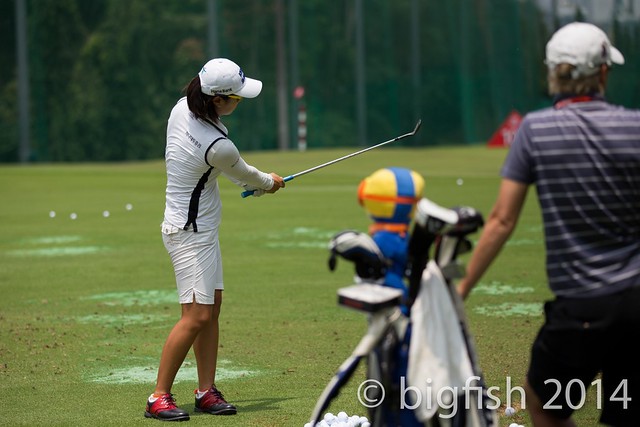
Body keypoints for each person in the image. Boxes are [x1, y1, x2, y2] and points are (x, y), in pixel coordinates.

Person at [456, 22, 640, 426]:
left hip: (580, 308)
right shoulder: (635, 126)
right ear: (603, 72)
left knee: (544, 405)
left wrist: (462, 287)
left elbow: (503, 220)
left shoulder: (534, 130)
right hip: (637, 301)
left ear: (553, 72)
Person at [144, 58, 285, 421]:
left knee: (211, 309)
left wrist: (253, 185)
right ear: (218, 100)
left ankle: (205, 390)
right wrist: (269, 183)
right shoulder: (218, 144)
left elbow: (230, 173)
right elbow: (246, 173)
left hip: (197, 230)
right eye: (236, 97)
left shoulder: (183, 108)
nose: (240, 101)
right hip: (189, 234)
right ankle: (158, 397)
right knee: (195, 316)